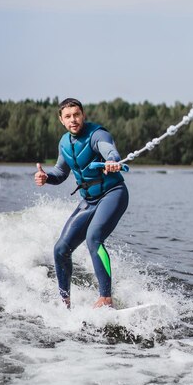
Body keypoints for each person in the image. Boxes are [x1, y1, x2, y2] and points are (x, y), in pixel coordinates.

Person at [34, 98, 129, 309]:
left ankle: (106, 299)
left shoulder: (97, 134)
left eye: (76, 114)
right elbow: (60, 173)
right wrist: (46, 177)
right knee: (60, 249)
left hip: (113, 194)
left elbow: (109, 150)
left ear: (83, 115)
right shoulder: (64, 143)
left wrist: (112, 161)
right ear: (61, 120)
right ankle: (64, 302)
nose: (73, 120)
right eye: (67, 116)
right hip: (89, 200)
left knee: (93, 238)